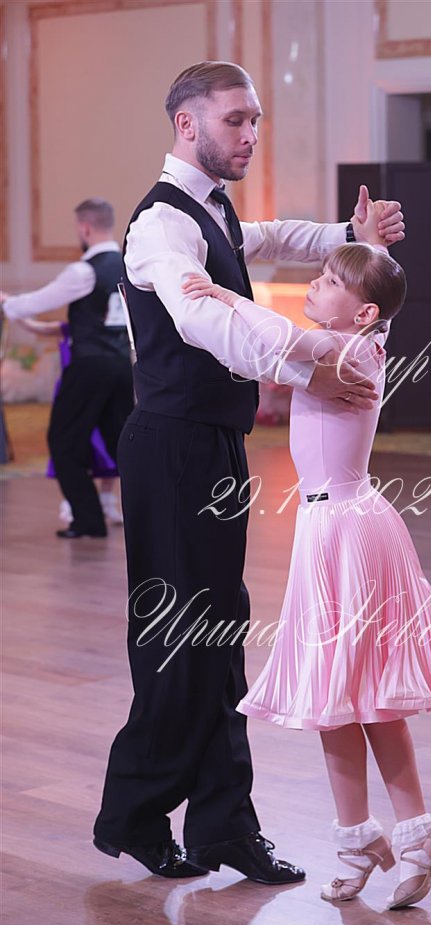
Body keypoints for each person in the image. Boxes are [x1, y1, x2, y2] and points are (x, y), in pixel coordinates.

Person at [92, 60, 405, 882]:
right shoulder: (161, 225)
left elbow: (271, 238)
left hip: (214, 445)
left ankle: (224, 825)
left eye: (256, 119)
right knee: (178, 639)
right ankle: (134, 811)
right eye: (236, 119)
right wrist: (309, 364)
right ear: (187, 124)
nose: (251, 134)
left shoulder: (212, 210)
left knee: (221, 638)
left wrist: (348, 237)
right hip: (170, 447)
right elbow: (201, 318)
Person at [182, 205, 431, 910]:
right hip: (334, 527)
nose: (314, 286)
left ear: (364, 314)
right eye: (319, 276)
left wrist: (224, 293)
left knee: (358, 695)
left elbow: (284, 337)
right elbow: (329, 318)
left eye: (328, 281)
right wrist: (371, 246)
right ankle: (375, 838)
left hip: (347, 533)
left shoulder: (349, 352)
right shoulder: (360, 341)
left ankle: (402, 834)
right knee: (343, 698)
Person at [0, 199, 133, 538]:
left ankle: (88, 520)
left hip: (89, 367)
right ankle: (150, 514)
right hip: (122, 366)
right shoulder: (129, 265)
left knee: (63, 442)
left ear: (84, 228)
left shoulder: (84, 271)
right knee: (124, 444)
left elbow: (37, 302)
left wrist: (7, 303)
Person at [17, 316, 123, 525]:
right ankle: (73, 501)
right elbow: (37, 327)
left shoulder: (109, 332)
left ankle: (107, 499)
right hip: (77, 394)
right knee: (79, 448)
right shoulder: (72, 327)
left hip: (103, 393)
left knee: (109, 446)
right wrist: (12, 308)